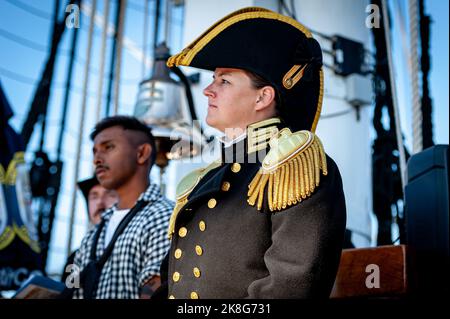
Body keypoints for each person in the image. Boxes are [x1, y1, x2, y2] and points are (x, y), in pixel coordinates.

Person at [154, 7, 347, 299]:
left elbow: (291, 286)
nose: (208, 90)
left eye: (224, 81)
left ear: (262, 97)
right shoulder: (207, 177)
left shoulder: (294, 166)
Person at [70, 116, 173, 299]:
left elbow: (156, 293)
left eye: (108, 147)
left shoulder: (164, 216)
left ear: (142, 153)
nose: (96, 160)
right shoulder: (92, 236)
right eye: (94, 152)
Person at [61, 176, 118, 283]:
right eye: (94, 197)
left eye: (110, 195)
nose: (100, 202)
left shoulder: (136, 244)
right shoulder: (75, 258)